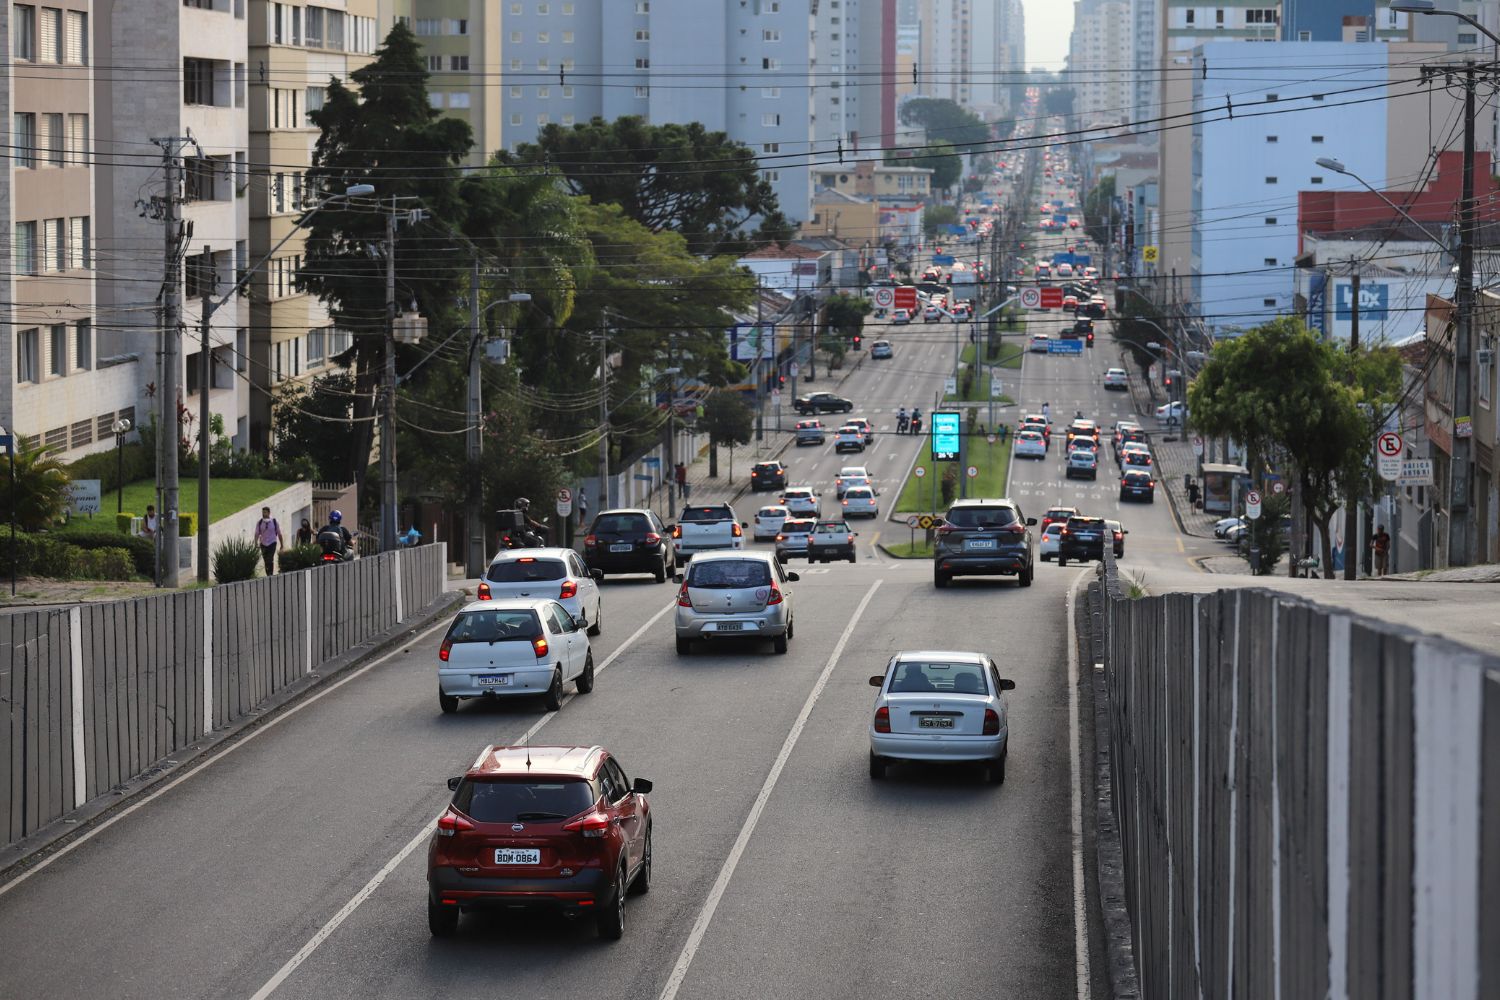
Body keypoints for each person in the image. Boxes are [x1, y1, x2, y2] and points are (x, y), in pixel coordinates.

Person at [255, 506, 284, 576]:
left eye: (265, 512)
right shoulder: (260, 523)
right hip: (263, 544)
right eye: (263, 512)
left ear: (268, 513)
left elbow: (279, 533)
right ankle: (268, 575)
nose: (263, 514)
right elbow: (256, 534)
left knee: (270, 559)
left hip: (272, 543)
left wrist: (282, 544)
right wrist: (255, 543)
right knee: (266, 560)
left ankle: (270, 574)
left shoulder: (274, 521)